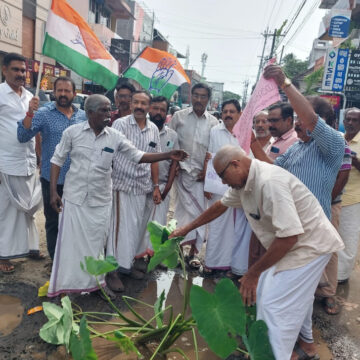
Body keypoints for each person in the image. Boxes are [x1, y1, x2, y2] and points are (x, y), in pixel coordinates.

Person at [170, 145, 344, 360]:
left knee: (273, 306)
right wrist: (186, 228)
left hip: (309, 247)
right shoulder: (245, 182)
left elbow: (289, 237)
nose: (223, 183)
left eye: (223, 177)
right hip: (293, 244)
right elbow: (221, 206)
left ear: (235, 164)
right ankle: (306, 347)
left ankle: (278, 355)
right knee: (289, 297)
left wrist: (252, 273)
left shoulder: (269, 182)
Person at [47, 94, 187, 298]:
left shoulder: (114, 136)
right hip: (75, 198)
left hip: (101, 199)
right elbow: (56, 160)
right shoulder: (73, 133)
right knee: (71, 245)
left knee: (97, 245)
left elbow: (139, 156)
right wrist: (53, 192)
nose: (108, 114)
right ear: (89, 113)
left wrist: (168, 155)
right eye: (103, 110)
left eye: (108, 109)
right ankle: (64, 287)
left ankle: (97, 283)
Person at [17, 76, 87, 260]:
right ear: (54, 92)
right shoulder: (43, 113)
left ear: (74, 93)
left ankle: (71, 261)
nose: (63, 94)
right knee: (53, 223)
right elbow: (23, 136)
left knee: (76, 223)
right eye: (60, 90)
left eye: (67, 91)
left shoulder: (83, 116)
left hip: (78, 180)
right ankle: (56, 263)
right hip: (53, 181)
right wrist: (30, 113)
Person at [106, 90, 162, 292]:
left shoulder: (153, 129)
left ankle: (127, 265)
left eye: (143, 103)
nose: (139, 106)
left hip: (142, 187)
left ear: (148, 106)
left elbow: (154, 158)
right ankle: (113, 270)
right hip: (122, 185)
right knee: (119, 230)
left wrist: (156, 186)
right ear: (130, 105)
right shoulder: (120, 124)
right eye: (135, 102)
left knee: (136, 229)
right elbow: (109, 154)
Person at [0, 53, 42, 273]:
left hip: (27, 162)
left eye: (23, 71)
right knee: (6, 210)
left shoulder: (30, 97)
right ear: (4, 69)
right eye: (15, 69)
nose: (20, 74)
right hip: (5, 162)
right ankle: (3, 254)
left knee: (29, 209)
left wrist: (40, 154)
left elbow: (35, 129)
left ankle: (30, 246)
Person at [169, 83, 218, 268]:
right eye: (196, 95)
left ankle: (194, 253)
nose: (198, 99)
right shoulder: (178, 117)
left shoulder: (214, 123)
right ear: (191, 96)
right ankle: (179, 251)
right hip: (181, 176)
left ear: (208, 99)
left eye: (203, 96)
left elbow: (213, 152)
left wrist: (207, 173)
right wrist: (174, 167)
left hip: (201, 178)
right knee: (182, 215)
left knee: (199, 215)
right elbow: (170, 143)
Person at [202, 99, 251, 278]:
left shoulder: (247, 132)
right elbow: (210, 157)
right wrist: (207, 184)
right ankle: (212, 263)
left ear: (239, 114)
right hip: (218, 185)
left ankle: (232, 265)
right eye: (225, 111)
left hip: (240, 187)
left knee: (237, 228)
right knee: (216, 225)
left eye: (232, 111)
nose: (228, 115)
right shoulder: (215, 131)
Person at [145, 96, 179, 257]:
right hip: (142, 185)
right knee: (140, 222)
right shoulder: (142, 131)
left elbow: (174, 164)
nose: (158, 113)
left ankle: (153, 256)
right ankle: (137, 255)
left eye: (162, 110)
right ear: (149, 109)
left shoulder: (172, 136)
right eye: (155, 108)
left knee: (157, 224)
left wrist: (167, 189)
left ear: (166, 113)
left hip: (163, 186)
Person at [337, 108, 360, 283]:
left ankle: (342, 276)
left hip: (353, 198)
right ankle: (330, 275)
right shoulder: (338, 138)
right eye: (348, 119)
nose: (351, 123)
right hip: (334, 195)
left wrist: (356, 161)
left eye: (355, 120)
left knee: (348, 237)